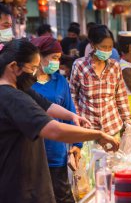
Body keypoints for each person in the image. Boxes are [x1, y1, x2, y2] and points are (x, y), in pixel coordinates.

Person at [0, 39, 119, 203]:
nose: (35, 74)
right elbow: (54, 130)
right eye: (33, 68)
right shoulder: (14, 98)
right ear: (14, 66)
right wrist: (97, 135)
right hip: (21, 189)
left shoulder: (19, 89)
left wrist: (72, 116)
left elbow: (47, 105)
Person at [31, 36, 81, 203]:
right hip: (32, 155)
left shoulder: (60, 80)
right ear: (39, 57)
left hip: (56, 154)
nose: (57, 63)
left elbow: (69, 113)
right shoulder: (26, 83)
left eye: (59, 59)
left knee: (63, 198)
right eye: (54, 58)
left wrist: (76, 145)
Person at [70, 25, 131, 136]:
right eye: (103, 47)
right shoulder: (79, 65)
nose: (107, 51)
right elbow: (73, 96)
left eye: (110, 47)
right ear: (93, 45)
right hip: (88, 129)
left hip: (112, 127)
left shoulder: (115, 66)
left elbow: (121, 96)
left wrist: (127, 120)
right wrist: (78, 119)